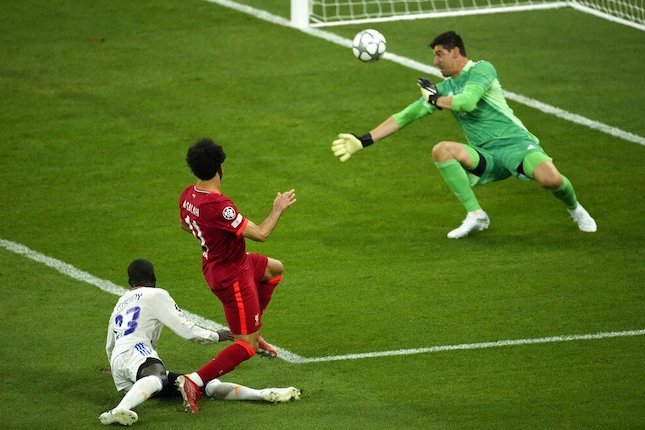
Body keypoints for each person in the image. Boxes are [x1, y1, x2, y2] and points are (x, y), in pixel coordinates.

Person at [332, 30, 597, 238]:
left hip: (516, 145)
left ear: (455, 52)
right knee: (441, 150)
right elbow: (405, 116)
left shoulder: (482, 70)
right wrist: (363, 140)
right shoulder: (443, 88)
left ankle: (575, 209)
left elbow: (467, 102)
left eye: (439, 54)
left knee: (551, 180)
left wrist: (436, 100)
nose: (435, 62)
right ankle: (476, 215)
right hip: (485, 156)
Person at [100, 259, 300, 426]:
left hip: (120, 360)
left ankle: (261, 394)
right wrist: (216, 336)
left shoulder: (121, 301)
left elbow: (110, 342)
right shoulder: (157, 294)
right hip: (138, 352)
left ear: (129, 281)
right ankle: (120, 410)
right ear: (154, 278)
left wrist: (114, 365)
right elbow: (186, 330)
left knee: (201, 384)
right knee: (157, 376)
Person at [177, 138, 296, 413]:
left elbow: (186, 225)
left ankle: (252, 326)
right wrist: (277, 208)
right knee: (247, 345)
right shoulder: (218, 204)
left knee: (273, 270)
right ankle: (193, 381)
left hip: (224, 263)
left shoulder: (188, 195)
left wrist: (213, 235)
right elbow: (262, 234)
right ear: (220, 167)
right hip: (231, 275)